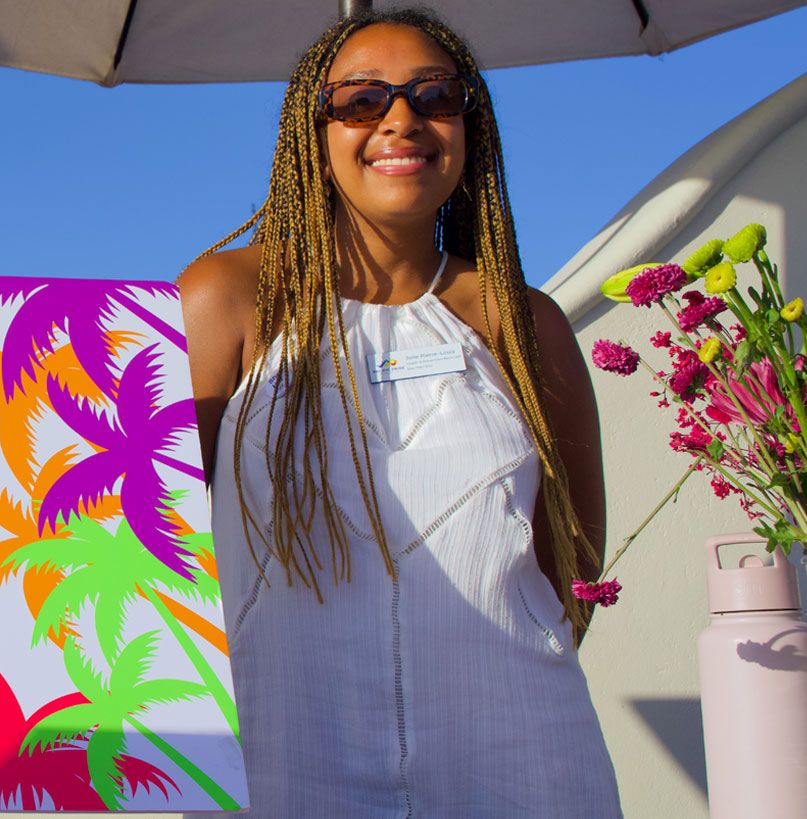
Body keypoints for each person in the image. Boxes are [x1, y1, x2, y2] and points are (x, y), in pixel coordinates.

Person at [177, 8, 621, 817]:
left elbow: (571, 559)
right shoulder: (229, 298)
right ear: (312, 132)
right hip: (282, 758)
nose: (400, 119)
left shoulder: (522, 320)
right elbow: (163, 543)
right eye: (361, 100)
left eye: (433, 94)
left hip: (519, 761)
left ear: (467, 125)